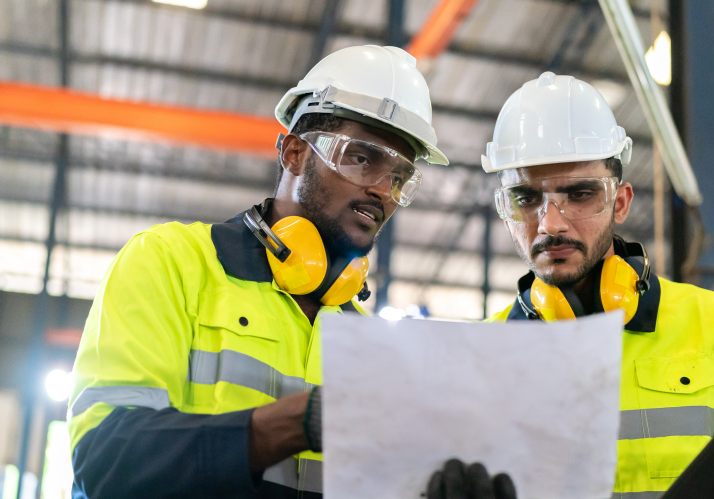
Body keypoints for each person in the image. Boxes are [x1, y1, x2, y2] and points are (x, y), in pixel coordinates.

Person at [66, 45, 451, 498]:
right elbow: (107, 458)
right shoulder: (172, 262)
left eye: (400, 177)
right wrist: (295, 423)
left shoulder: (371, 348)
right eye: (361, 158)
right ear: (293, 153)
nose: (383, 191)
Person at [482, 72, 714, 499]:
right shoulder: (479, 356)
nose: (550, 223)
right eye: (526, 199)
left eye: (581, 193)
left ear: (620, 202)